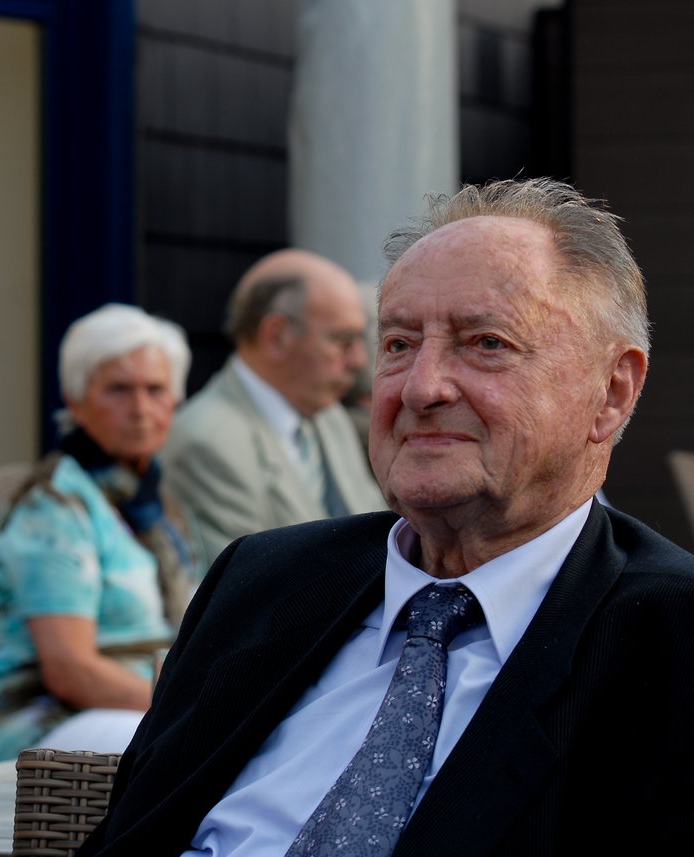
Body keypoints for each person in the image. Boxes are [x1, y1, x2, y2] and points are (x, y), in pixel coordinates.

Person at [80, 178, 694, 855]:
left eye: (486, 342)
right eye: (399, 343)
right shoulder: (261, 579)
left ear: (611, 392)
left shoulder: (666, 640)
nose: (422, 387)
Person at [0, 303, 198, 762]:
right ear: (77, 402)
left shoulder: (151, 502)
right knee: (189, 751)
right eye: (118, 390)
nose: (140, 409)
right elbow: (70, 670)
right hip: (47, 720)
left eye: (155, 389)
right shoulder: (54, 506)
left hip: (139, 708)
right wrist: (189, 709)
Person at [163, 249, 386, 567]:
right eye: (343, 340)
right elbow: (244, 588)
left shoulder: (327, 415)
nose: (359, 361)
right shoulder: (208, 441)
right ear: (277, 335)